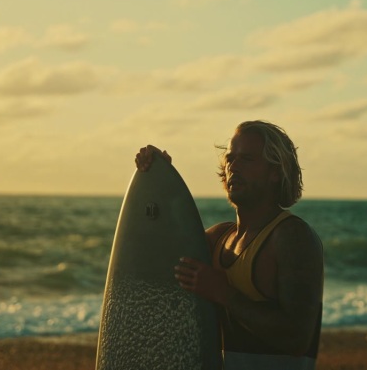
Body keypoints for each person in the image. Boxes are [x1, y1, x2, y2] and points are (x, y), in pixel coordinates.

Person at [135, 120, 324, 370]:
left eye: (247, 159)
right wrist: (160, 180)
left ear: (275, 172)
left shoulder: (291, 237)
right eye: (230, 159)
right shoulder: (218, 238)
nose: (234, 166)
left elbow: (297, 338)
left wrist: (223, 293)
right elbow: (157, 258)